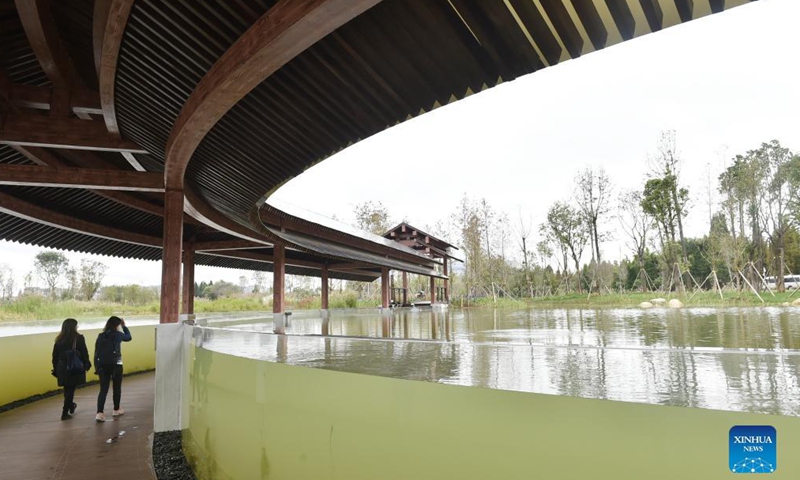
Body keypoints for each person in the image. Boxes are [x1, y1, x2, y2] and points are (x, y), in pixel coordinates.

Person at [51, 318, 91, 421]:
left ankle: (70, 405)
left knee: (67, 389)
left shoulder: (59, 339)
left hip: (62, 366)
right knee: (70, 390)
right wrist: (87, 363)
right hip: (73, 366)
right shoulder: (79, 338)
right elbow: (84, 352)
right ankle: (65, 412)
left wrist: (55, 369)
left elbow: (55, 356)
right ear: (74, 327)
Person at [94, 316, 132, 422]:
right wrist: (124, 326)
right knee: (116, 388)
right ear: (117, 325)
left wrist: (97, 366)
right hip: (116, 364)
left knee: (103, 390)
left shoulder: (101, 336)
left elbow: (96, 352)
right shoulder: (118, 335)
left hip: (102, 365)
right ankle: (116, 409)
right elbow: (129, 337)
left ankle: (100, 413)